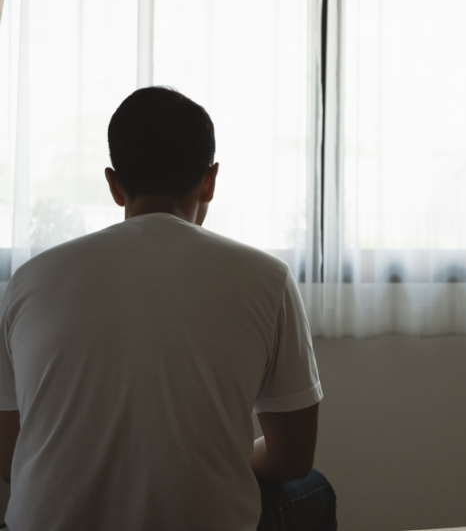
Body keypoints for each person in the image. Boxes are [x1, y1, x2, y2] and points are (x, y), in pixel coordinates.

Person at [0, 87, 336, 531]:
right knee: (314, 487)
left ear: (115, 184)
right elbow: (292, 458)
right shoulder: (267, 279)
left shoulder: (28, 280)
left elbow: (11, 456)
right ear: (210, 179)